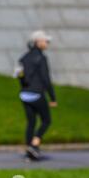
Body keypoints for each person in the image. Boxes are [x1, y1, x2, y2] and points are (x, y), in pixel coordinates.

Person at [17, 30, 57, 161]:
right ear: (38, 42)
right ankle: (34, 144)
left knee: (31, 122)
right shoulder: (41, 58)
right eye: (46, 41)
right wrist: (52, 97)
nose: (47, 43)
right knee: (46, 120)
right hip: (37, 93)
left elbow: (19, 75)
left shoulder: (23, 58)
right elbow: (46, 79)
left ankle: (29, 150)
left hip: (24, 94)